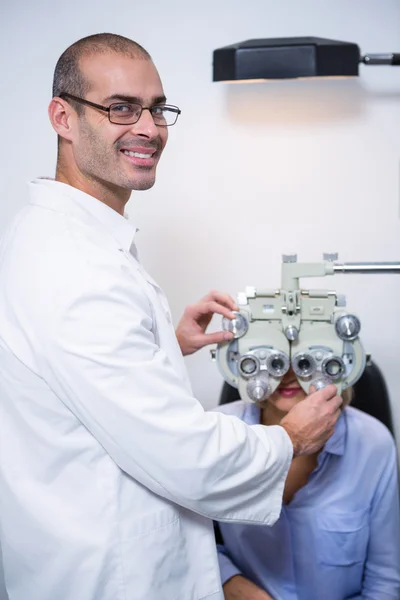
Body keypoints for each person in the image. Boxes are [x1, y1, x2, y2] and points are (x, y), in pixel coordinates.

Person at [0, 33, 343, 600]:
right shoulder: (75, 266)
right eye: (121, 108)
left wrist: (165, 342)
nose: (149, 128)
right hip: (109, 576)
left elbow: (78, 379)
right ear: (63, 116)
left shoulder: (66, 238)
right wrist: (289, 439)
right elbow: (185, 458)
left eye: (158, 108)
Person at [214, 368, 400, 600]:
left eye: (303, 358)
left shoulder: (373, 443)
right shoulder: (217, 433)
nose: (287, 374)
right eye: (276, 355)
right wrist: (231, 582)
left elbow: (384, 579)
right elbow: (189, 538)